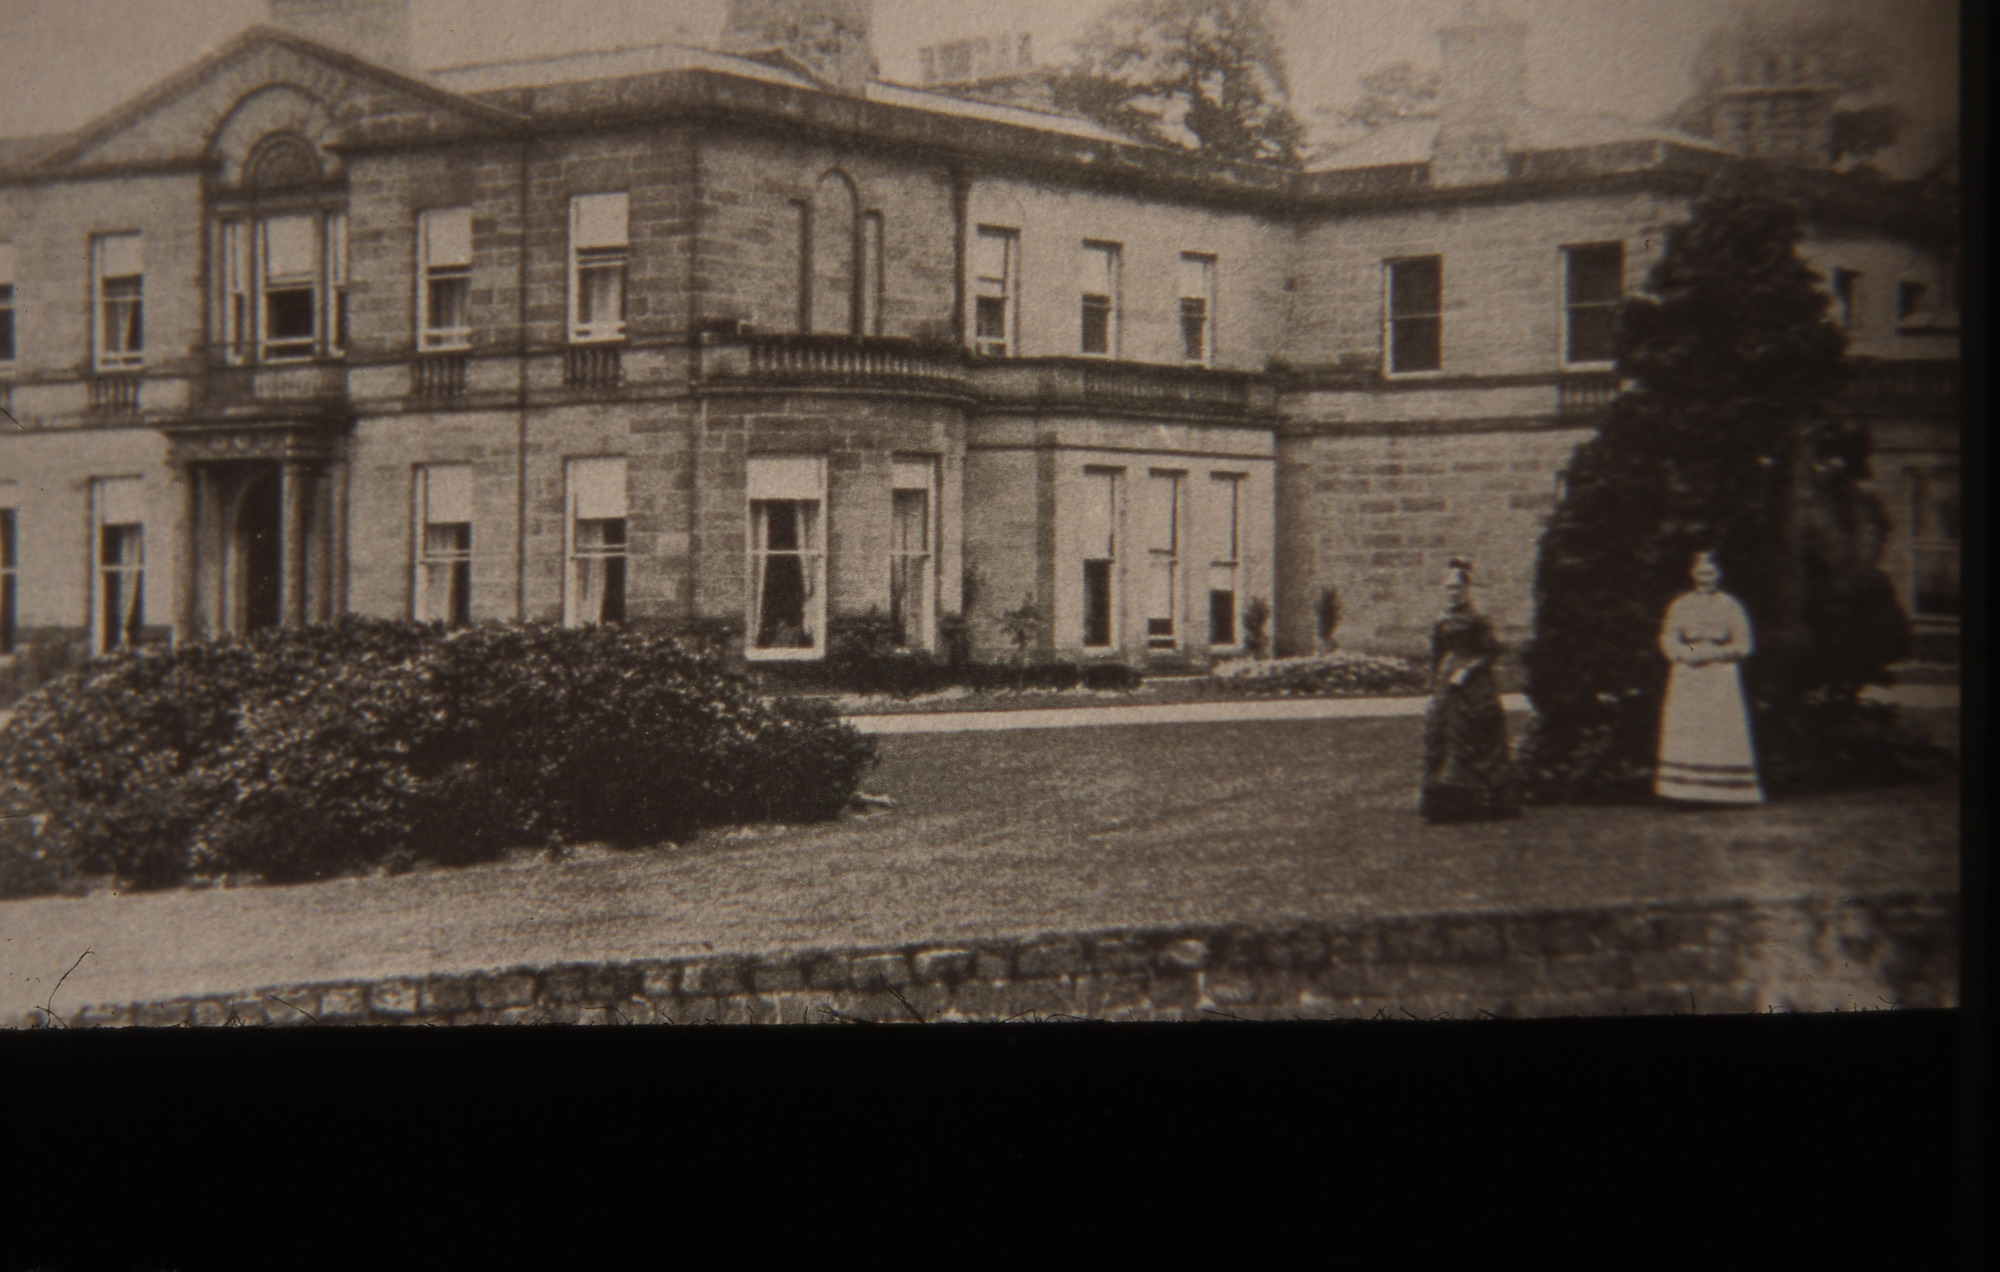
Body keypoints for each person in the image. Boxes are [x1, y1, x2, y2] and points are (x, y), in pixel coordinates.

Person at [1654, 552, 1765, 805]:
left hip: (1720, 673)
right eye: (1702, 573)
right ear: (1693, 574)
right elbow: (1668, 638)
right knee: (1689, 729)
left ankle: (1726, 792)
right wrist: (1687, 653)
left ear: (1719, 575)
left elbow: (1745, 642)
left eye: (1711, 573)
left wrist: (1719, 653)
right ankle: (1684, 792)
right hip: (1688, 674)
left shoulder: (1731, 605)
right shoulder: (1680, 605)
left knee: (1719, 729)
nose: (1706, 578)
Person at [1420, 558, 1520, 823]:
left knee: (1473, 737)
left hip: (1473, 684)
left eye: (1456, 588)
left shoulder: (1477, 620)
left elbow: (1492, 652)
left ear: (1466, 589)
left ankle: (1481, 802)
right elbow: (1437, 653)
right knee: (1439, 734)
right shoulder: (1441, 619)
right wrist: (1434, 683)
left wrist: (1468, 669)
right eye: (1448, 587)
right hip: (1447, 680)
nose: (1452, 592)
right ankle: (1443, 804)